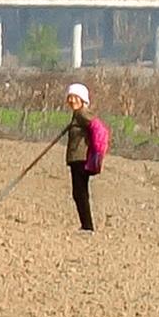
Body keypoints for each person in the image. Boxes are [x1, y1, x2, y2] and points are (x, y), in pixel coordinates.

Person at [64, 82, 95, 232]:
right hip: (76, 159)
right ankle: (86, 225)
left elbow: (97, 128)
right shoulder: (77, 114)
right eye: (69, 97)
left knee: (80, 193)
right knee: (79, 192)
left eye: (74, 97)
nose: (71, 100)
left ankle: (87, 226)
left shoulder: (83, 113)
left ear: (82, 99)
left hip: (81, 159)